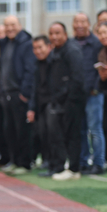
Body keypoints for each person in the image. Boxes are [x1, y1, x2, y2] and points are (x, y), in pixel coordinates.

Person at [43, 22, 88, 180]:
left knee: (73, 135)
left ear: (65, 34)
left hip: (72, 101)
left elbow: (77, 78)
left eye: (57, 33)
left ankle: (74, 169)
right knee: (59, 135)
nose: (54, 37)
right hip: (58, 101)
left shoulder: (72, 50)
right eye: (51, 33)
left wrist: (68, 98)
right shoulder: (55, 52)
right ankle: (60, 166)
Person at [0, 16, 36, 174]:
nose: (9, 28)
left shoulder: (26, 44)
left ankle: (24, 163)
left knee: (22, 131)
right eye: (6, 25)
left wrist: (24, 92)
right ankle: (14, 160)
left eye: (13, 25)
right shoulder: (6, 43)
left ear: (20, 25)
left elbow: (30, 70)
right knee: (10, 130)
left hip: (19, 94)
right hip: (7, 94)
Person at [72, 13, 105, 175]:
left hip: (93, 93)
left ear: (88, 24)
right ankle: (83, 162)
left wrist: (96, 87)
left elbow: (101, 66)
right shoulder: (71, 44)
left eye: (83, 21)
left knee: (95, 130)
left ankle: (98, 163)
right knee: (81, 130)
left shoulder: (97, 43)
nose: (79, 24)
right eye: (76, 21)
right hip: (77, 94)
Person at [27, 36, 54, 176]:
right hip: (40, 104)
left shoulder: (54, 61)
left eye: (40, 47)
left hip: (53, 102)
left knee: (53, 134)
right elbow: (34, 88)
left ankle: (55, 163)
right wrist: (31, 108)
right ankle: (46, 160)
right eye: (35, 48)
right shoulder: (36, 64)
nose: (37, 51)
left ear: (49, 46)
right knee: (42, 132)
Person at [93, 22, 107, 170]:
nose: (103, 36)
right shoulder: (102, 53)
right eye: (100, 33)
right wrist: (104, 77)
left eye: (106, 32)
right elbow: (102, 84)